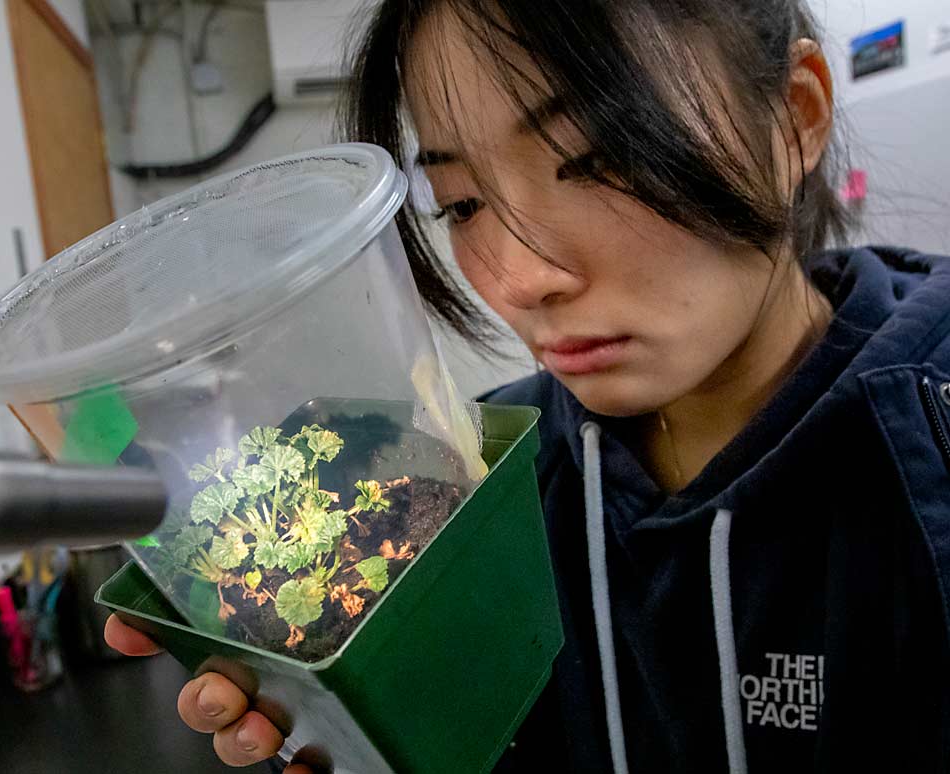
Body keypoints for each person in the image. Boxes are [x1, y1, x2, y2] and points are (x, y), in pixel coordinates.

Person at [106, 0, 950, 771]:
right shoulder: (469, 490)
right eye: (462, 202)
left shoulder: (929, 445)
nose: (517, 277)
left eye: (596, 160)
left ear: (793, 119)